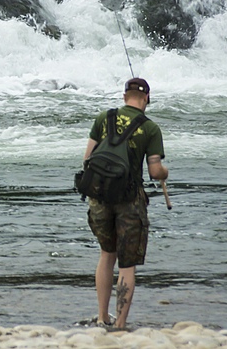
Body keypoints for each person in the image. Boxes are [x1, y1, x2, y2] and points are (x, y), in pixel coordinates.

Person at [84, 77, 168, 329]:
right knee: (127, 264)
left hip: (99, 197)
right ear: (146, 100)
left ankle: (102, 317)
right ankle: (120, 325)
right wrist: (165, 173)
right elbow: (154, 171)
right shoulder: (150, 129)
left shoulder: (104, 118)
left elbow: (87, 158)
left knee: (106, 255)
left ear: (124, 97)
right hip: (130, 201)